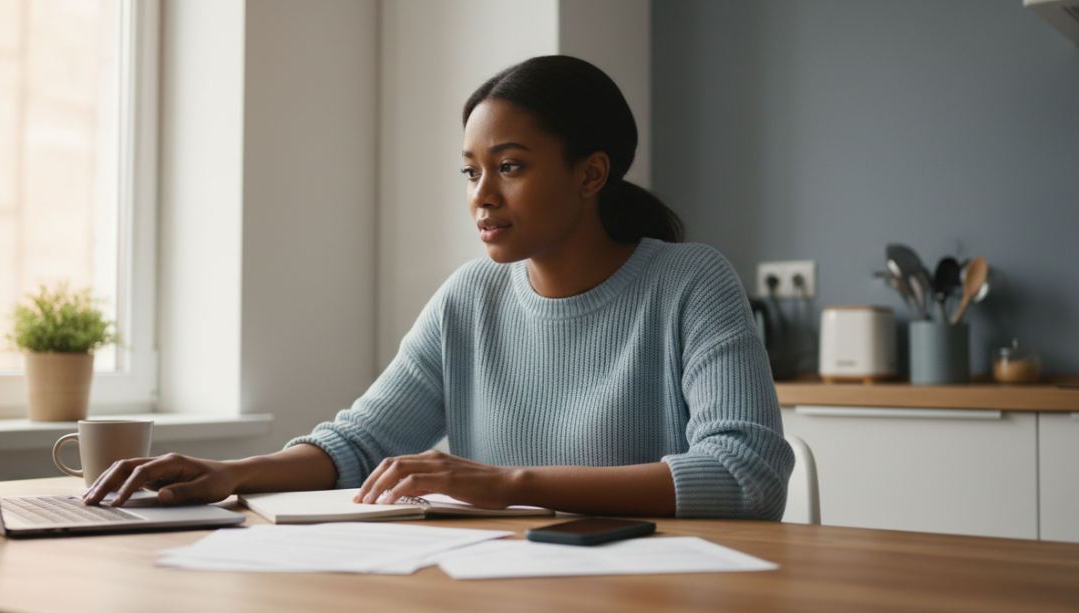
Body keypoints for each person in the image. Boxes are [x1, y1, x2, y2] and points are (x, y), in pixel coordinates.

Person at [84, 55, 794, 520]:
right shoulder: (470, 297)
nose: (481, 195)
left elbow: (747, 475)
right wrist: (231, 472)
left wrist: (508, 483)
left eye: (509, 166)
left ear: (590, 173)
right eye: (471, 171)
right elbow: (361, 443)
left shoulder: (690, 282)